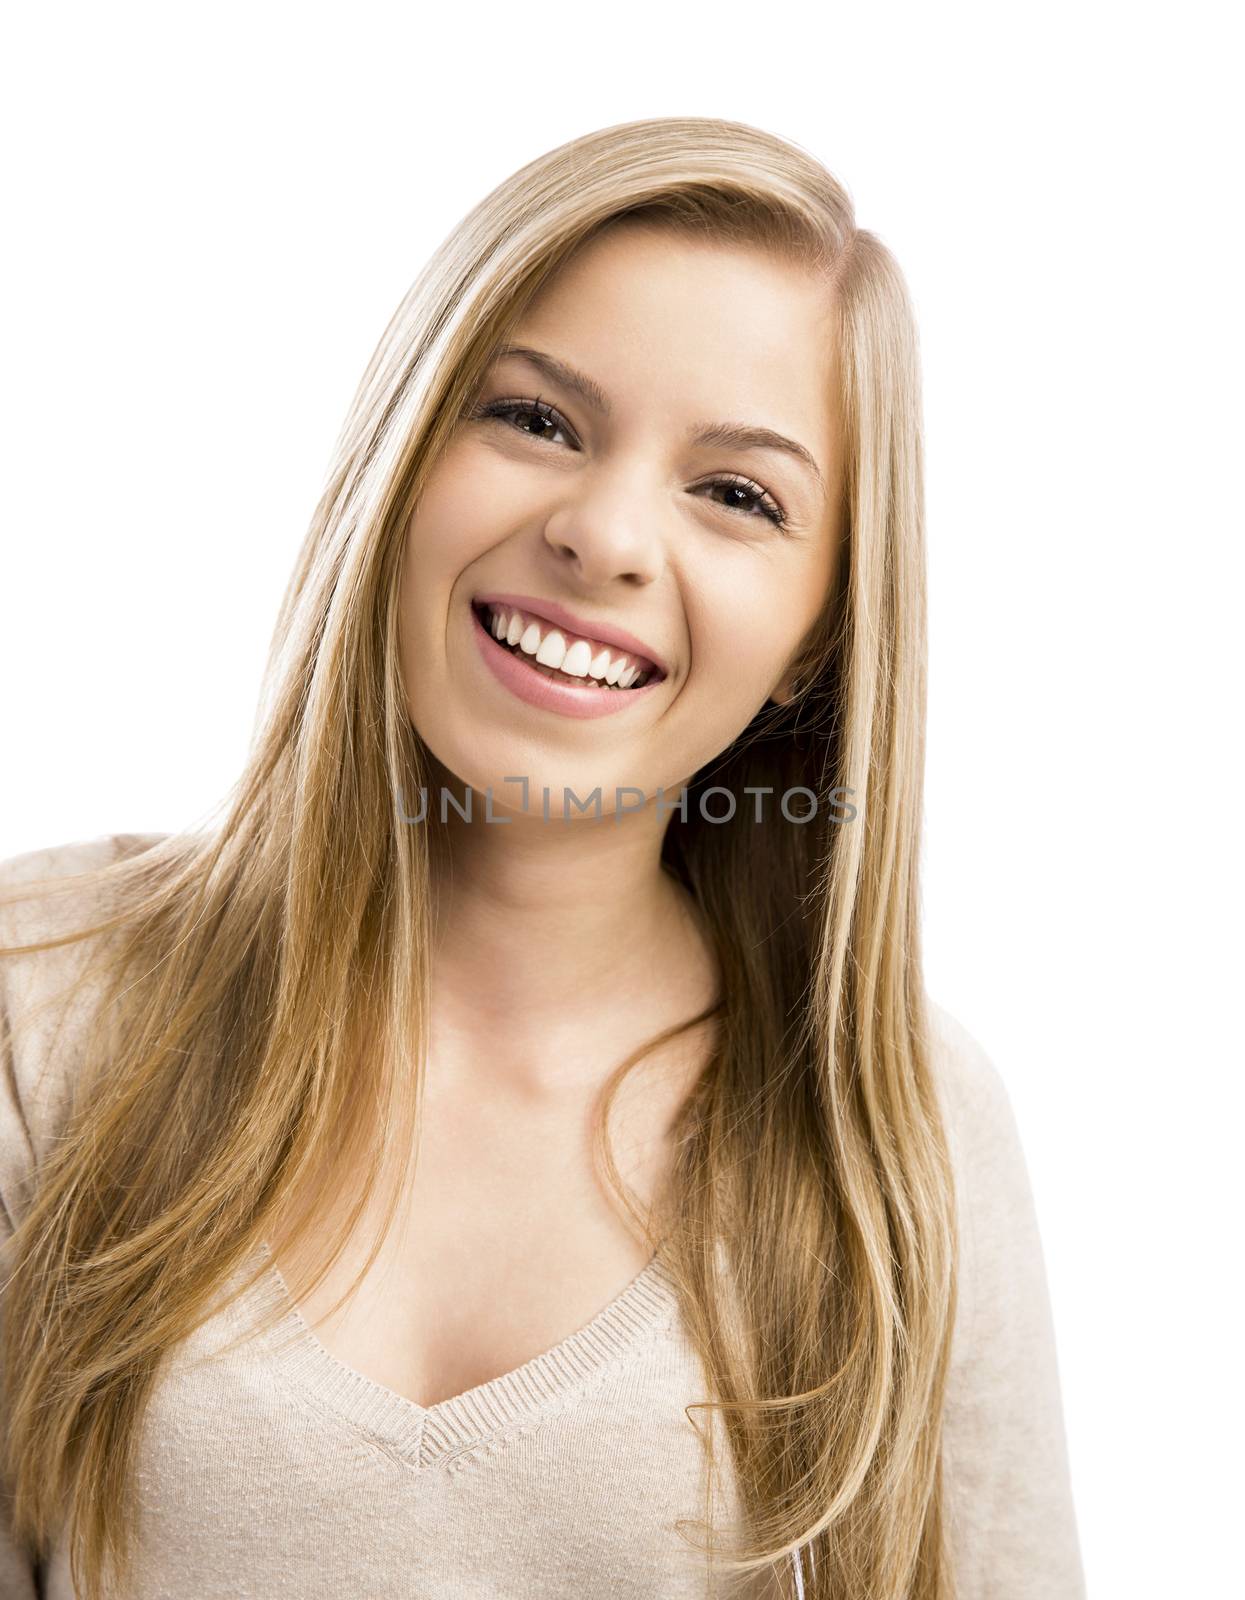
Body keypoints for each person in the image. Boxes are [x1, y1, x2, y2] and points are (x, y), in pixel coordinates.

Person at [0, 116, 1085, 1599]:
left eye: (738, 495)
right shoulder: (37, 1000)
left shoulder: (895, 1127)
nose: (604, 534)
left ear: (815, 641)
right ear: (403, 453)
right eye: (537, 420)